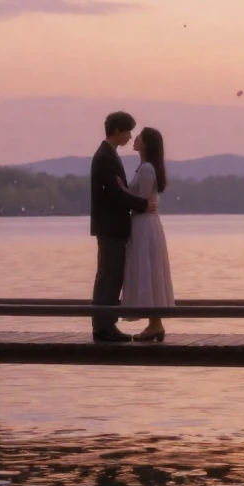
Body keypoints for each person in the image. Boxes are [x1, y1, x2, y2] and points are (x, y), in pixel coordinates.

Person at [89, 111, 156, 343]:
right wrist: (143, 205)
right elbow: (114, 195)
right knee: (108, 275)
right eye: (127, 131)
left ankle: (106, 324)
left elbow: (117, 192)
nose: (129, 137)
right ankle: (103, 326)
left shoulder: (109, 155)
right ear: (117, 131)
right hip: (110, 227)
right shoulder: (105, 157)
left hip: (113, 226)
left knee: (112, 275)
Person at [121, 127, 175, 341]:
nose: (135, 139)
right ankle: (155, 324)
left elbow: (142, 201)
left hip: (144, 224)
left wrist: (121, 190)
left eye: (140, 137)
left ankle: (155, 324)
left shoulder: (146, 169)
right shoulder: (145, 167)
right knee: (149, 270)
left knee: (147, 269)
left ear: (147, 143)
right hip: (145, 223)